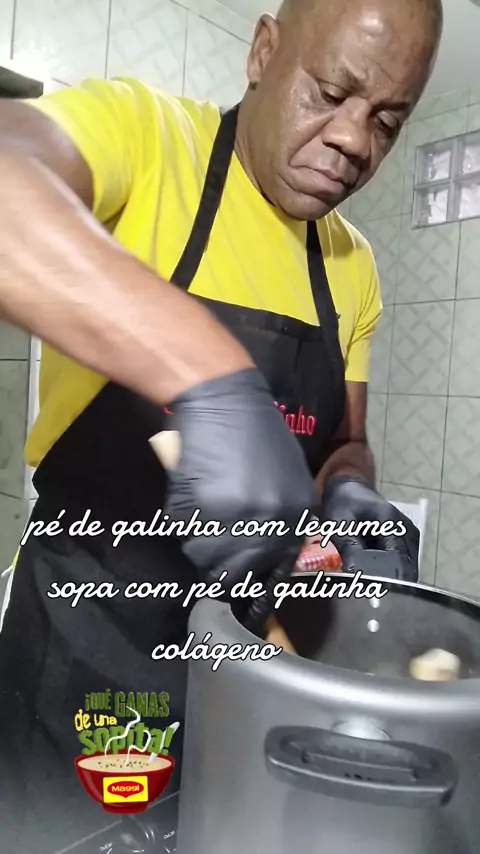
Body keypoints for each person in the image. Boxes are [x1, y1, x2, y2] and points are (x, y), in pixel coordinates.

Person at [0, 0, 442, 850]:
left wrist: (350, 488)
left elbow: (344, 439)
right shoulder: (148, 139)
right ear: (264, 51)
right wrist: (206, 376)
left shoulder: (351, 264)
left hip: (250, 667)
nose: (353, 139)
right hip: (97, 645)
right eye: (330, 93)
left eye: (387, 121)